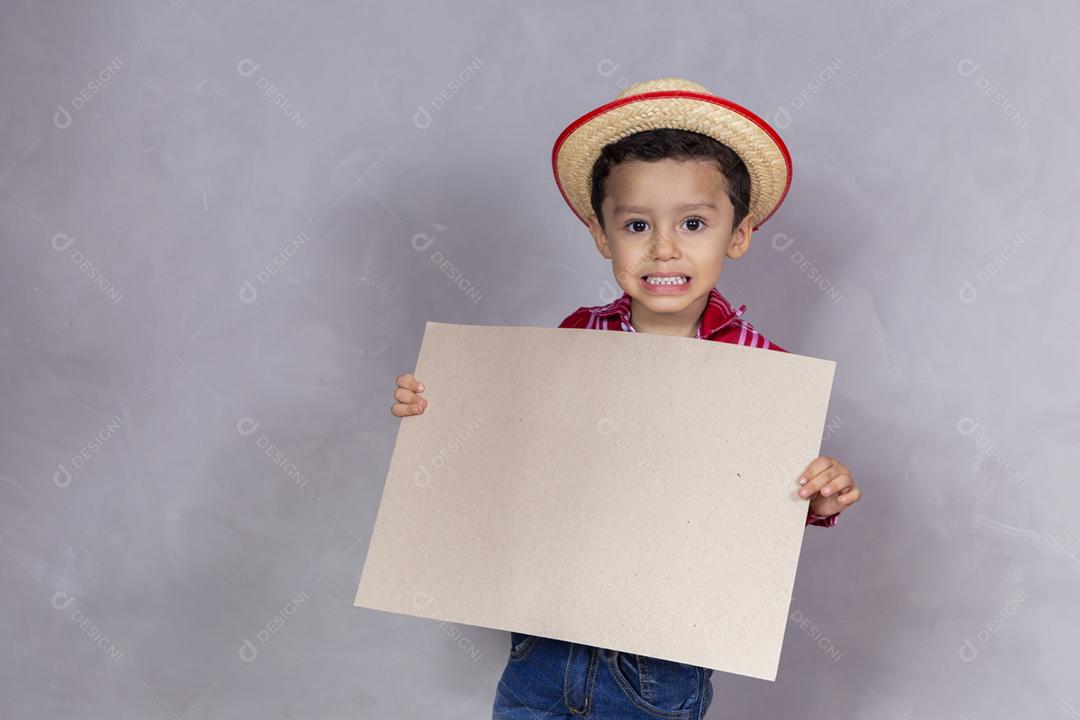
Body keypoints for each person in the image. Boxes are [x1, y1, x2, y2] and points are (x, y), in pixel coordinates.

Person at [390, 77, 862, 719]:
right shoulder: (575, 340)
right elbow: (517, 455)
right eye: (637, 224)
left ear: (739, 234)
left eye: (694, 223)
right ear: (601, 236)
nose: (664, 247)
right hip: (544, 648)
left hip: (660, 666)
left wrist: (818, 495)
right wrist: (441, 415)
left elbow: (756, 506)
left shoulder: (760, 371)